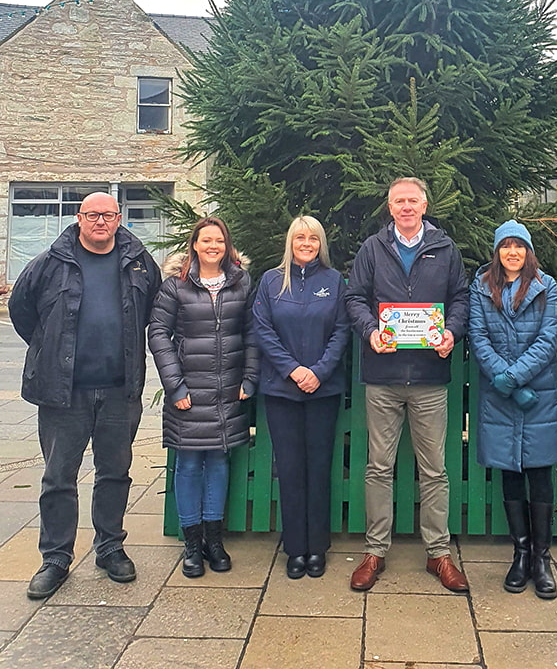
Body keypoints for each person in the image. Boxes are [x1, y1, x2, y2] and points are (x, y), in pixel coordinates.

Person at [9, 192, 161, 599]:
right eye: (92, 215)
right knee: (59, 476)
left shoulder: (139, 261)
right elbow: (22, 310)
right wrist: (50, 350)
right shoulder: (50, 262)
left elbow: (151, 310)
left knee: (115, 472)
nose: (100, 222)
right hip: (63, 393)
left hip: (118, 390)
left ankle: (110, 546)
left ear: (118, 219)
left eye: (108, 215)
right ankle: (56, 557)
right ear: (79, 218)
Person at [346, 177, 470, 593]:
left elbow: (461, 298)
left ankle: (438, 553)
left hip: (430, 377)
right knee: (378, 467)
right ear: (390, 206)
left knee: (434, 471)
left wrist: (451, 331)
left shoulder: (445, 248)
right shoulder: (372, 248)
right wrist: (369, 331)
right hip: (382, 376)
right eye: (398, 201)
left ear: (424, 204)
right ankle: (374, 551)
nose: (405, 207)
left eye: (412, 201)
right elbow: (355, 298)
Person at [468, 220, 557, 599]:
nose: (512, 253)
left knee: (539, 470)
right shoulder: (481, 287)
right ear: (497, 252)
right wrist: (506, 381)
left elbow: (549, 337)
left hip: (540, 392)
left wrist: (513, 377)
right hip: (502, 394)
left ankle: (541, 558)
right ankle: (519, 553)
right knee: (510, 470)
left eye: (519, 246)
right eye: (505, 247)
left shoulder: (546, 286)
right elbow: (478, 336)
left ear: (528, 251)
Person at [148, 217, 257, 578]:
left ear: (227, 247)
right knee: (190, 464)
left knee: (219, 462)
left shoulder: (241, 283)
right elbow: (159, 335)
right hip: (189, 392)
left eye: (219, 241)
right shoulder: (175, 286)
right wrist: (175, 386)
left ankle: (214, 539)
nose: (213, 246)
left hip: (227, 389)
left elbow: (252, 333)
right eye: (206, 240)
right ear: (194, 244)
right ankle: (192, 543)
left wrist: (249, 378)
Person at [252, 216, 350, 579]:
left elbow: (342, 331)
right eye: (299, 238)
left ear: (320, 242)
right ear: (290, 242)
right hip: (281, 390)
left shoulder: (334, 281)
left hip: (323, 390)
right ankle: (295, 548)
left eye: (312, 238)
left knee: (319, 468)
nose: (306, 243)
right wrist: (294, 370)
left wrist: (318, 372)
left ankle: (317, 547)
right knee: (290, 469)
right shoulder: (271, 281)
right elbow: (263, 331)